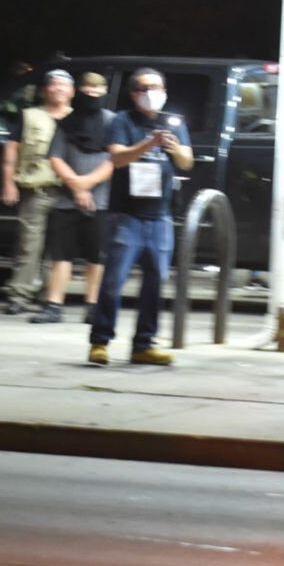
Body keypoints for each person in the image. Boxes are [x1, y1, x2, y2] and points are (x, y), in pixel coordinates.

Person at [88, 68, 192, 366]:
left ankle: (144, 344)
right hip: (126, 215)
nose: (151, 93)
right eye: (144, 88)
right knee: (113, 281)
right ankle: (100, 341)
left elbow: (187, 162)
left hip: (160, 216)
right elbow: (117, 158)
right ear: (134, 94)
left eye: (156, 87)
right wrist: (149, 143)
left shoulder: (174, 122)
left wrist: (172, 147)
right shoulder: (122, 121)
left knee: (156, 281)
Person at [33, 72, 113, 324]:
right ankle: (54, 305)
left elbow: (117, 158)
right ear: (79, 91)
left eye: (97, 92)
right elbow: (55, 157)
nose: (92, 96)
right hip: (66, 198)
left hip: (102, 199)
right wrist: (77, 187)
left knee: (96, 255)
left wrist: (88, 184)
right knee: (60, 254)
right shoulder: (66, 123)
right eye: (87, 91)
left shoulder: (112, 122)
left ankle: (93, 305)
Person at [1, 69, 73, 315]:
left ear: (72, 92)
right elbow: (11, 150)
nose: (58, 89)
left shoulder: (78, 119)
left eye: (64, 85)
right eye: (53, 85)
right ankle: (19, 295)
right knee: (28, 245)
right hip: (36, 188)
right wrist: (9, 183)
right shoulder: (29, 116)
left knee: (59, 248)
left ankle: (50, 297)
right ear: (45, 90)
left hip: (67, 191)